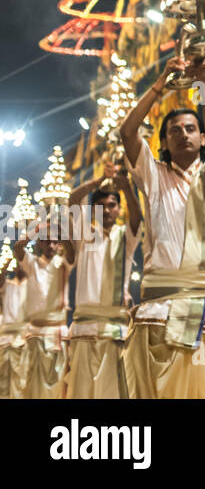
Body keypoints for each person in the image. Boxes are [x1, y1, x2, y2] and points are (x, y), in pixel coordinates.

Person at [119, 56, 205, 399]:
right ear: (164, 143)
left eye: (190, 129)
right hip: (157, 307)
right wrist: (160, 84)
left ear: (201, 139)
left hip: (204, 308)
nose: (183, 134)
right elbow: (127, 132)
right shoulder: (153, 175)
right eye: (174, 130)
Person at [62, 165, 144, 398]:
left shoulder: (125, 236)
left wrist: (127, 188)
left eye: (112, 205)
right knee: (82, 390)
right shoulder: (84, 233)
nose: (107, 210)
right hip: (84, 328)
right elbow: (74, 198)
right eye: (100, 206)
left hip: (115, 330)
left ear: (119, 209)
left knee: (114, 391)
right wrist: (99, 180)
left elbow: (137, 218)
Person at [13, 224, 71, 399]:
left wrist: (61, 228)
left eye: (55, 242)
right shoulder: (32, 263)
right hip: (35, 335)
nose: (51, 246)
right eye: (47, 241)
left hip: (57, 334)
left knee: (59, 387)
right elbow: (17, 247)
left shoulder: (64, 264)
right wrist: (38, 228)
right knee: (33, 388)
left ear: (60, 244)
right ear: (40, 244)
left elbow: (73, 249)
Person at [0, 252, 26, 398]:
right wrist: (5, 267)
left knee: (20, 381)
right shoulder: (8, 285)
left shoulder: (31, 285)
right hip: (5, 339)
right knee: (3, 380)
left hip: (23, 339)